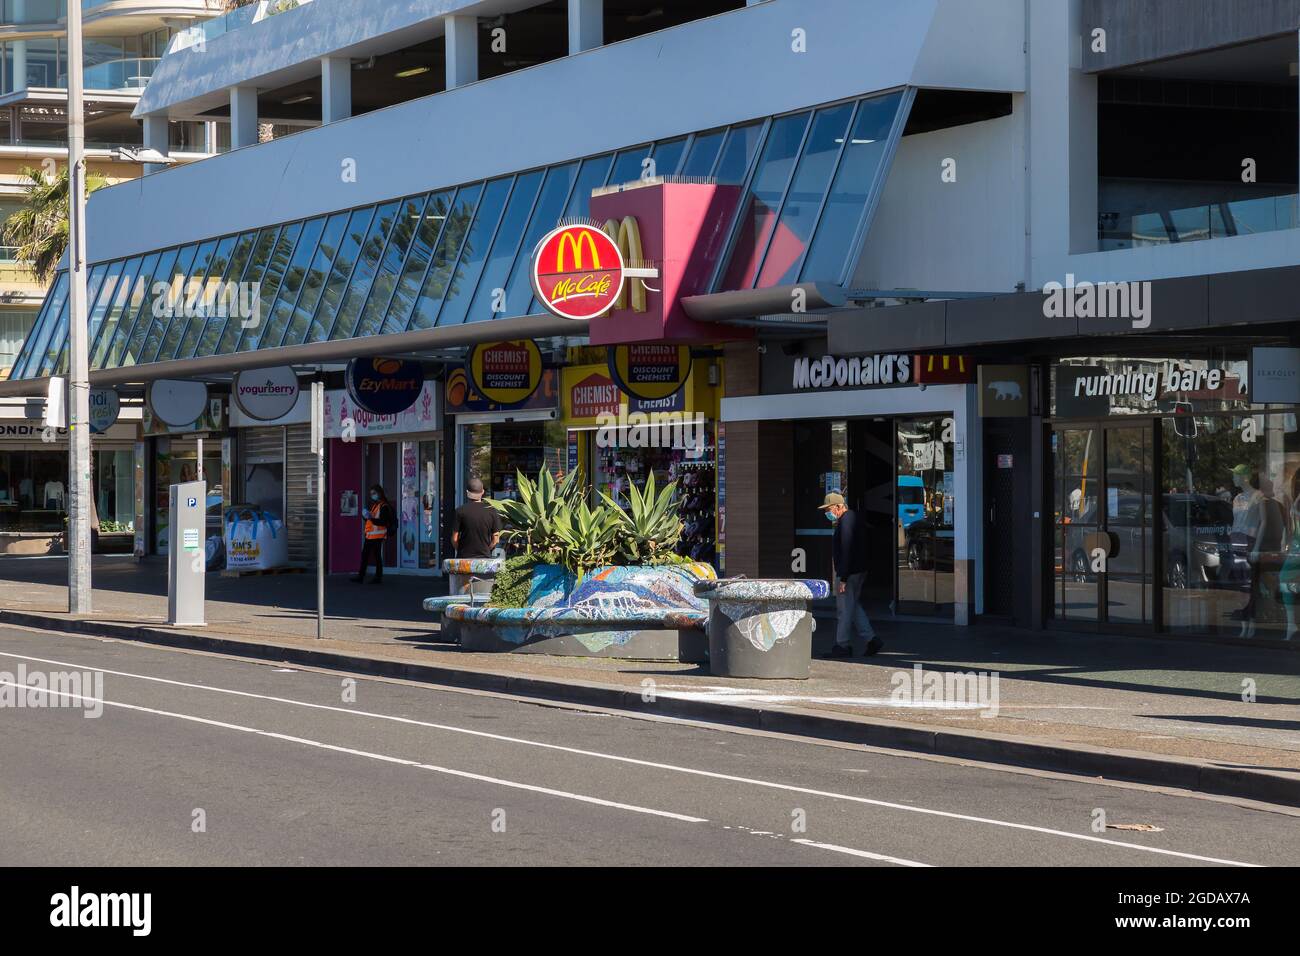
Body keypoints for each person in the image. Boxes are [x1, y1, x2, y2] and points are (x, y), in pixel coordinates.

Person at [818, 492, 883, 658]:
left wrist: (843, 578)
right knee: (853, 606)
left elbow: (846, 548)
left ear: (839, 506)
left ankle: (842, 645)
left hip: (849, 572)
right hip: (858, 570)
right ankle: (871, 639)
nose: (828, 513)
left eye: (830, 509)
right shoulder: (853, 518)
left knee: (844, 610)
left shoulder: (846, 521)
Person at [352, 484, 394, 584]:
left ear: (379, 493)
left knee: (376, 556)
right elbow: (371, 519)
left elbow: (383, 522)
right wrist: (365, 516)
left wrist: (370, 518)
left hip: (378, 536)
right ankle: (361, 576)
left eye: (374, 493)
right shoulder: (376, 505)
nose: (372, 495)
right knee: (365, 555)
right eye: (371, 494)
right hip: (370, 535)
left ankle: (377, 577)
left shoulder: (384, 506)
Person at [451, 477, 502, 559]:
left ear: (467, 493)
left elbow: (454, 539)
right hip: (484, 561)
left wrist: (461, 551)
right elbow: (496, 538)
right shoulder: (492, 511)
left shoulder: (460, 511)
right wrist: (487, 550)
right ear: (482, 492)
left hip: (464, 559)